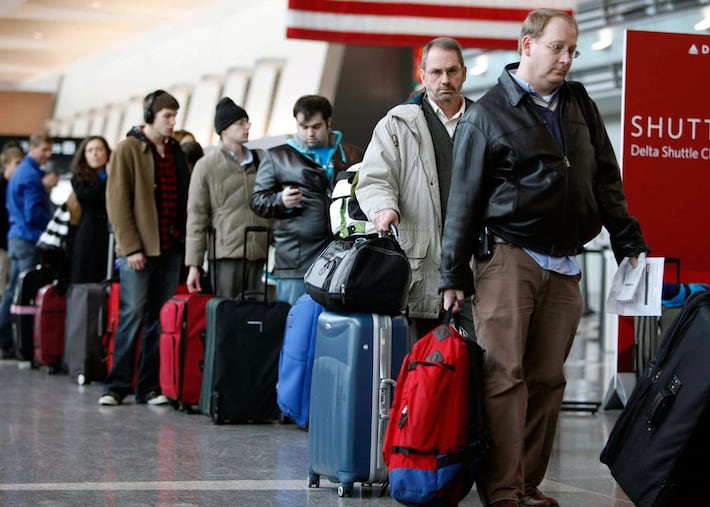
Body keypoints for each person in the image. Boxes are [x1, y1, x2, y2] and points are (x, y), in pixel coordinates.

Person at [439, 10, 649, 507]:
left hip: (565, 264)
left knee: (548, 379)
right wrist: (452, 273)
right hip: (509, 257)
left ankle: (527, 484)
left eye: (572, 50)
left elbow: (605, 179)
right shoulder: (488, 114)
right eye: (558, 47)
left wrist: (628, 242)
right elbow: (463, 201)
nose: (566, 59)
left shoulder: (579, 102)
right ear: (527, 45)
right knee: (504, 376)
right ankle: (503, 490)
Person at [355, 36, 475, 342]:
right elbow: (374, 178)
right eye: (435, 72)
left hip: (477, 262)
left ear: (464, 72)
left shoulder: (486, 122)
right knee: (422, 364)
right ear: (423, 76)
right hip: (420, 262)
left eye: (451, 71)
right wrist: (383, 207)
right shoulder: (396, 125)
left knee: (479, 363)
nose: (444, 80)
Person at [99, 89, 189, 406]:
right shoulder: (127, 149)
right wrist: (131, 247)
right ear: (150, 115)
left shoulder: (174, 150)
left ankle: (148, 387)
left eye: (175, 116)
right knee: (132, 314)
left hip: (170, 246)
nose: (172, 122)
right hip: (139, 250)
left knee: (158, 318)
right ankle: (115, 385)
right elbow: (118, 203)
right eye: (167, 116)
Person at [250, 94, 363, 305]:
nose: (309, 133)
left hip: (342, 255)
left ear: (328, 122)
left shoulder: (352, 155)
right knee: (296, 326)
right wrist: (280, 201)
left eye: (316, 126)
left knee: (334, 328)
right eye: (303, 127)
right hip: (296, 259)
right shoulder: (277, 157)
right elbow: (257, 200)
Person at [185, 97, 271, 298]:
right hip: (225, 253)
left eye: (247, 121)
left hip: (259, 249)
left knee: (257, 318)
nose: (247, 126)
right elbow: (197, 217)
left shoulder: (262, 159)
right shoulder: (206, 166)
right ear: (224, 129)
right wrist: (194, 265)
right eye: (240, 123)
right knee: (227, 315)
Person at [0, 133, 58, 359]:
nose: (48, 154)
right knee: (20, 292)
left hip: (17, 237)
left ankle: (8, 338)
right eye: (44, 150)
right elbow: (33, 213)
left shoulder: (25, 173)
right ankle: (9, 339)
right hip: (27, 239)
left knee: (13, 291)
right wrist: (52, 225)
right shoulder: (30, 176)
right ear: (32, 149)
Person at [69, 136, 111, 284]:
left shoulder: (117, 175)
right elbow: (90, 197)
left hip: (112, 233)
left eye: (99, 149)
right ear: (84, 155)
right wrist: (109, 178)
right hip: (89, 234)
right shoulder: (78, 178)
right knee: (87, 280)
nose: (95, 154)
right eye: (90, 150)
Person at [0, 143, 24, 299]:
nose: (20, 167)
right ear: (6, 164)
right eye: (17, 163)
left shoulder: (16, 186)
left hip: (11, 243)